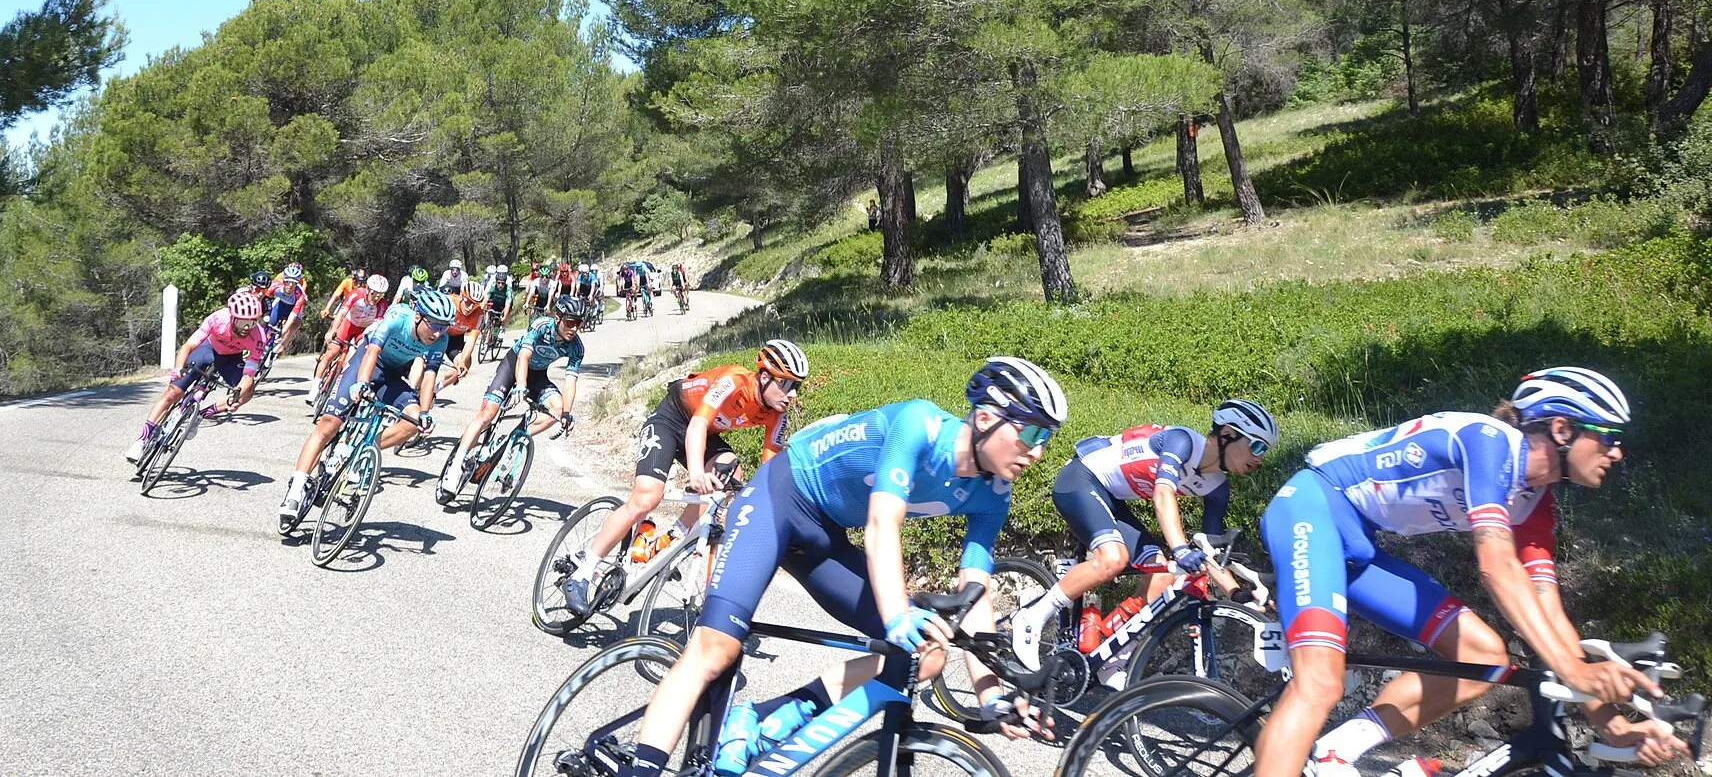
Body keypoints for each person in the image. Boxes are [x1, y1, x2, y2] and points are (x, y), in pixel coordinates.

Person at [615, 357, 1067, 777]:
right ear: (986, 418)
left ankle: (764, 723)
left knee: (924, 658)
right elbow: (880, 525)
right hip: (778, 500)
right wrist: (897, 616)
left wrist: (991, 695)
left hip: (822, 535)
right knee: (715, 651)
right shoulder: (920, 425)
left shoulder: (995, 492)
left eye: (1046, 438)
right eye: (1031, 434)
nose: (1038, 451)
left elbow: (977, 589)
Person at [1250, 367, 1682, 777]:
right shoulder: (1489, 441)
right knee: (1320, 684)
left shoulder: (1534, 504)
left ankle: (1336, 750)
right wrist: (1576, 673)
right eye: (1608, 435)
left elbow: (1549, 613)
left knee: (1483, 656)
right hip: (1310, 508)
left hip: (1356, 547)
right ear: (1562, 429)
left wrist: (1614, 725)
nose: (1617, 451)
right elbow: (1497, 566)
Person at [1014, 399, 1276, 671]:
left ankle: (1109, 659)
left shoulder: (1217, 488)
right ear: (1228, 434)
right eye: (1257, 446)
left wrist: (1236, 593)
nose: (1260, 458)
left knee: (1162, 574)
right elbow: (1162, 494)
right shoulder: (1182, 442)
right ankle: (1031, 618)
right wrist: (1181, 550)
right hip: (1081, 479)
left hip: (1110, 498)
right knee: (1113, 558)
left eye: (1265, 451)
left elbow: (1210, 551)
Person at [560, 341, 810, 614]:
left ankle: (668, 541)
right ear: (765, 377)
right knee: (647, 497)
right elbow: (698, 424)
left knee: (731, 474)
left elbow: (771, 465)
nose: (793, 395)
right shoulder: (734, 381)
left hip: (705, 435)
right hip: (671, 420)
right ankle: (583, 572)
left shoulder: (777, 412)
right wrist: (695, 473)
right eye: (788, 385)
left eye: (798, 385)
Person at [275, 288, 456, 533]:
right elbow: (372, 352)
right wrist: (360, 383)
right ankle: (296, 489)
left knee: (413, 422)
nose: (437, 332)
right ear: (418, 317)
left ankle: (364, 449)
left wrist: (424, 411)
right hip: (367, 363)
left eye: (444, 327)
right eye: (434, 324)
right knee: (329, 424)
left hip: (393, 377)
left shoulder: (440, 339)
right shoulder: (398, 318)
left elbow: (430, 375)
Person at [435, 295, 587, 502]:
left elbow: (570, 383)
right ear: (557, 317)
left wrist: (567, 414)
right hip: (512, 365)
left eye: (579, 323)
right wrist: (521, 386)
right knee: (487, 414)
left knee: (557, 411)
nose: (575, 329)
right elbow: (523, 357)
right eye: (570, 322)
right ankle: (455, 466)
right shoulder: (541, 325)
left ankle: (511, 439)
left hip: (538, 375)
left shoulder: (576, 347)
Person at [125, 288, 265, 462]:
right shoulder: (218, 318)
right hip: (208, 349)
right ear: (232, 317)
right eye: (243, 322)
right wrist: (178, 369)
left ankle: (201, 415)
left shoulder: (258, 336)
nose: (246, 328)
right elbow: (188, 346)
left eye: (251, 322)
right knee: (172, 393)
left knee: (248, 391)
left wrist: (238, 392)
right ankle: (141, 440)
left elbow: (249, 375)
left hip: (231, 359)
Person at [307, 272, 389, 407]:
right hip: (348, 325)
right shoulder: (356, 294)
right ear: (368, 289)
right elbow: (342, 313)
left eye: (380, 295)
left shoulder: (382, 305)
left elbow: (376, 326)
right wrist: (332, 331)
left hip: (363, 330)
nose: (376, 298)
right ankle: (315, 388)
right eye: (374, 293)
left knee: (361, 356)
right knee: (331, 353)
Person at [435, 281, 488, 392]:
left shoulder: (479, 315)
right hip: (439, 334)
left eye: (475, 304)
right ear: (461, 296)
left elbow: (471, 341)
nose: (470, 307)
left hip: (455, 340)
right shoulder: (449, 301)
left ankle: (435, 390)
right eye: (468, 302)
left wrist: (462, 362)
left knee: (464, 366)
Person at [261, 262, 310, 353]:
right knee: (268, 321)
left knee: (295, 324)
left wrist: (282, 333)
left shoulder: (301, 289)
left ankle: (283, 345)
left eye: (294, 283)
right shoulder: (277, 281)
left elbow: (292, 318)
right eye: (287, 282)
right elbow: (263, 299)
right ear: (283, 280)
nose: (290, 285)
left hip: (294, 305)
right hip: (281, 302)